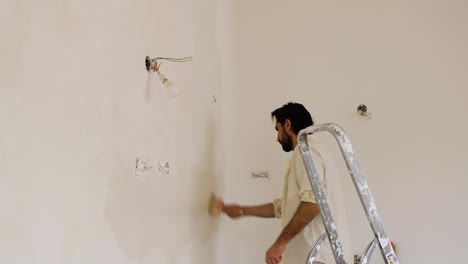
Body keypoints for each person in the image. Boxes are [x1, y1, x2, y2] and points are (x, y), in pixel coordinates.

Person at [223, 102, 334, 264]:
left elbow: (312, 204)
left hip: (317, 258)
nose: (277, 138)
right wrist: (242, 210)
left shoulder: (306, 154)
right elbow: (285, 207)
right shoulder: (308, 153)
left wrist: (280, 243)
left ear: (287, 125)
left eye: (278, 129)